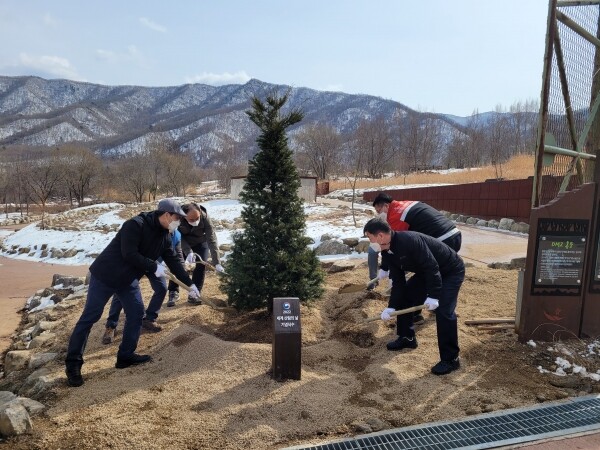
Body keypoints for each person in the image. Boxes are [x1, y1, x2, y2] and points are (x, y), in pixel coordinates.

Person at [64, 199, 200, 387]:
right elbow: (129, 253)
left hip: (127, 280)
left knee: (136, 314)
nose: (179, 222)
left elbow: (174, 262)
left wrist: (190, 285)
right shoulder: (135, 225)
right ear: (167, 215)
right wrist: (153, 266)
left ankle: (125, 356)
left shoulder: (166, 236)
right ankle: (73, 365)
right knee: (90, 317)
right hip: (105, 275)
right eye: (177, 218)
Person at [363, 217, 465, 375]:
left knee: (444, 311)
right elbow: (398, 282)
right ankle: (407, 338)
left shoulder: (410, 241)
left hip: (450, 270)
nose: (370, 242)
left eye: (370, 238)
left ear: (380, 236)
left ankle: (451, 359)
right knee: (405, 297)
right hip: (427, 272)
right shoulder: (387, 251)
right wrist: (391, 307)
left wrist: (433, 295)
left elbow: (432, 267)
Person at [101, 228, 185, 344]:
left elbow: (178, 256)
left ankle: (149, 318)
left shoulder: (176, 236)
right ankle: (111, 326)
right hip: (135, 262)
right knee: (122, 290)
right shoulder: (148, 229)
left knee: (161, 288)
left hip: (154, 264)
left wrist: (182, 273)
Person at [177, 202, 224, 305]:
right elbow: (179, 237)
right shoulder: (177, 217)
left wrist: (217, 262)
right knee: (178, 265)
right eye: (191, 220)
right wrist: (188, 252)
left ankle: (194, 294)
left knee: (201, 265)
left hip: (200, 242)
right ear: (184, 216)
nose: (195, 221)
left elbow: (211, 239)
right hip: (183, 243)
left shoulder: (205, 217)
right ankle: (173, 291)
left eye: (197, 218)